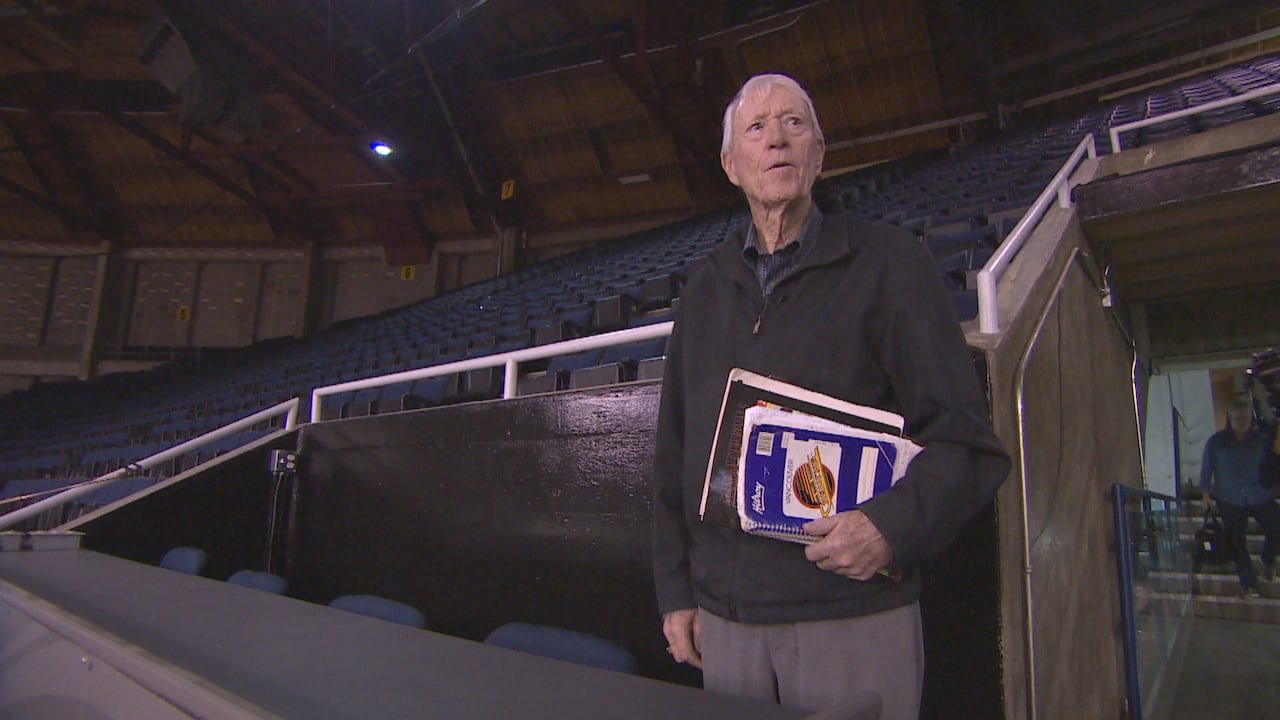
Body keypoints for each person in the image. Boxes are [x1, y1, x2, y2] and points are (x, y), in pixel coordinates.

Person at [651, 73, 1011, 719]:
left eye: (794, 123)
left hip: (851, 611)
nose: (777, 140)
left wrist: (889, 527)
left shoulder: (891, 264)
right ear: (732, 165)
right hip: (726, 623)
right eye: (756, 129)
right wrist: (676, 590)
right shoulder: (704, 289)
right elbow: (675, 456)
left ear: (820, 152)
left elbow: (966, 443)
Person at [1201, 397, 1280, 598]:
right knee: (1237, 543)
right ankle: (1249, 584)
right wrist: (1206, 494)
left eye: (1245, 417)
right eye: (1237, 417)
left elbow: (1273, 461)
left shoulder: (1262, 439)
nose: (1241, 420)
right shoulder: (1217, 441)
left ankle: (1267, 558)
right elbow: (1207, 467)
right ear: (1230, 418)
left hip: (1260, 494)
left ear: (1250, 417)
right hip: (1230, 498)